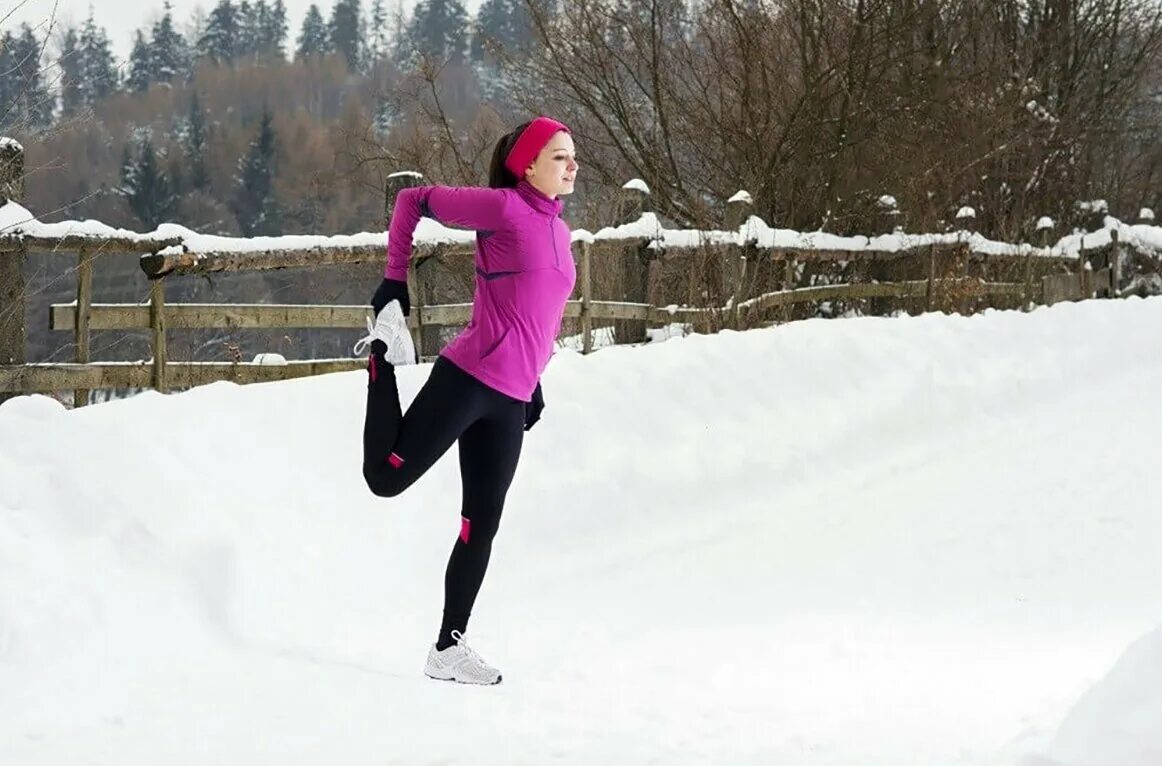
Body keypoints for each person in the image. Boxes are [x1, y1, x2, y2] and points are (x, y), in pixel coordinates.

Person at [352, 116, 578, 685]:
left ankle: (448, 648)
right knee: (385, 479)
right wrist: (395, 281)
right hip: (470, 377)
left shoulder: (560, 230)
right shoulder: (503, 209)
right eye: (559, 156)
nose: (572, 165)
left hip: (510, 396)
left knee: (481, 524)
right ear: (526, 165)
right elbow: (412, 200)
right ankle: (380, 353)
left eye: (573, 156)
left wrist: (537, 376)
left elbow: (539, 314)